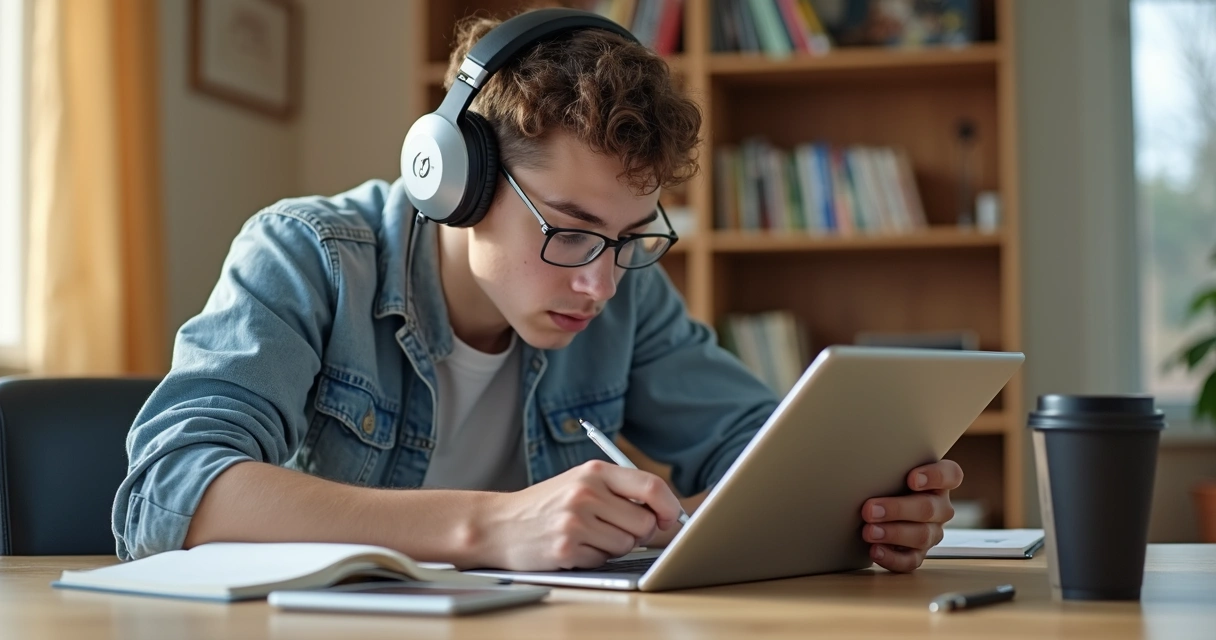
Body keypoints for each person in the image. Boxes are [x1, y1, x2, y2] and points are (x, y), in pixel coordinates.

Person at [113, 9, 963, 574]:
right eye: (569, 228)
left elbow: (760, 451)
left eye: (629, 238)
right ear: (456, 184)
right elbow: (171, 490)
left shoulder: (625, 287)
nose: (598, 281)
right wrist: (491, 526)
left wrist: (863, 504)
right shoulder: (308, 256)